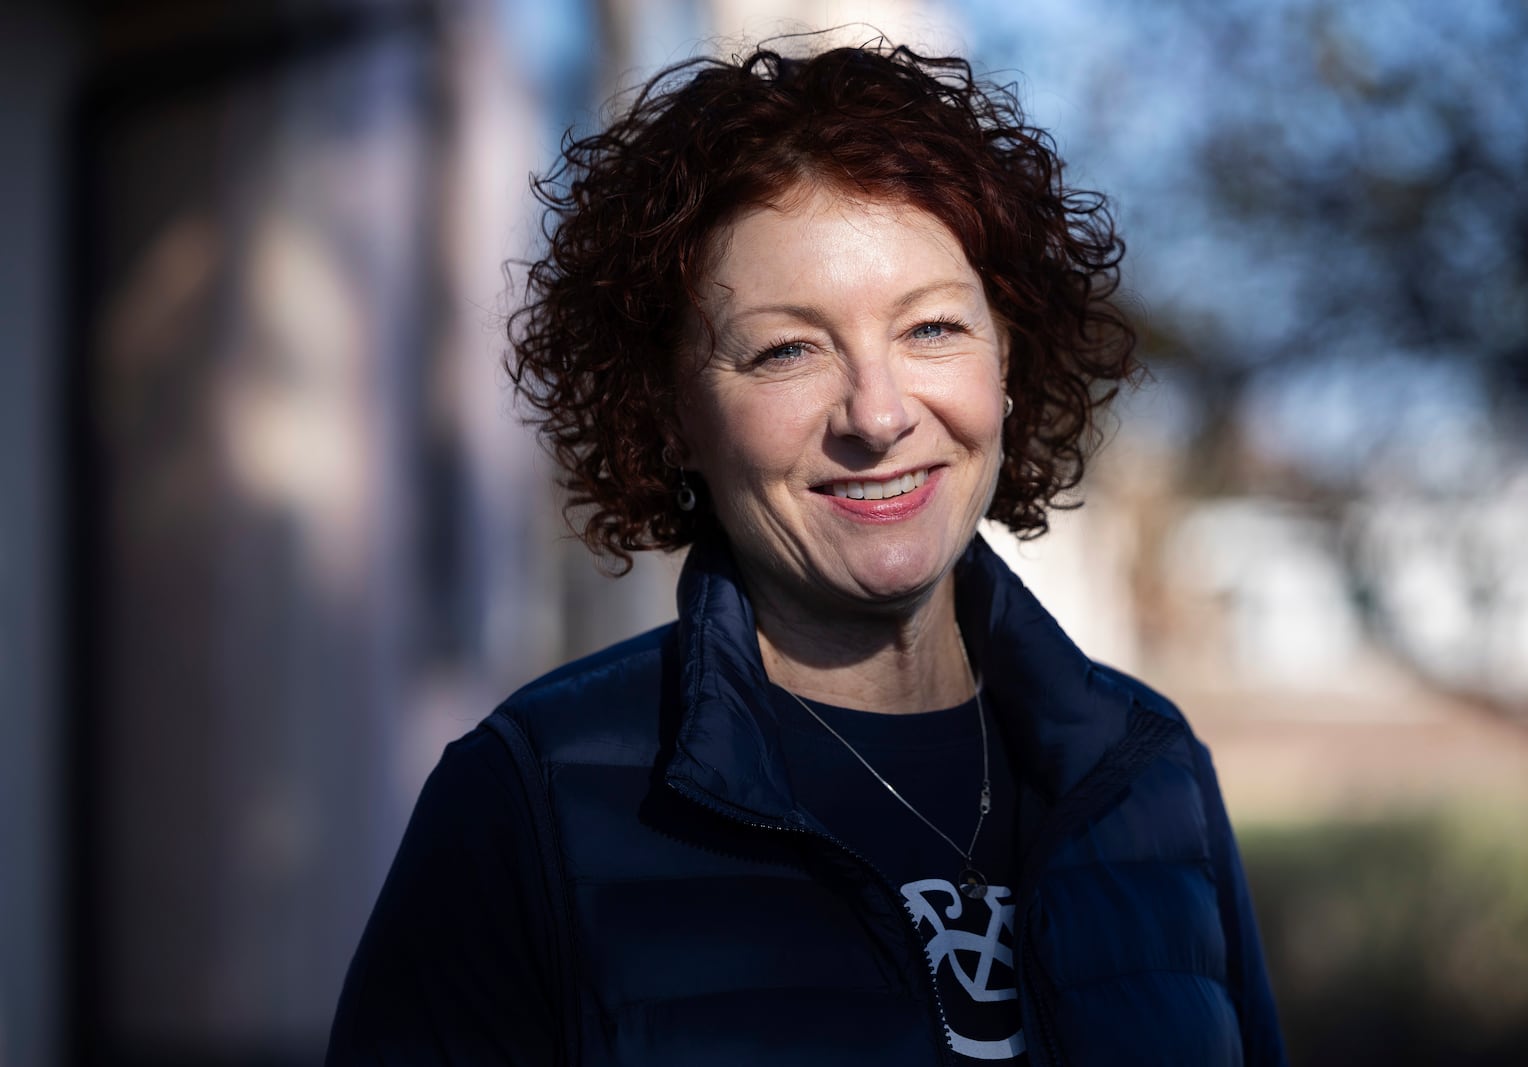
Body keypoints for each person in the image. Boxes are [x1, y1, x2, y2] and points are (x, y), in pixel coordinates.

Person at [327, 38, 1286, 1067]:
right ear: (670, 412)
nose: (877, 414)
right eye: (788, 349)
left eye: (930, 329)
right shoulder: (527, 799)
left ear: (1008, 356)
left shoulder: (1148, 771)